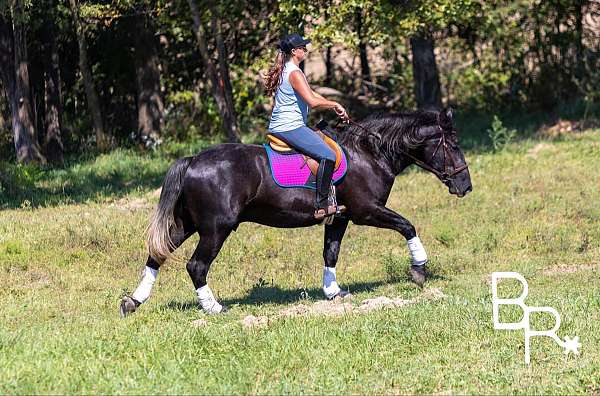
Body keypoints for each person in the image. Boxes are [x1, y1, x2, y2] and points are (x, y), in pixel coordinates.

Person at [264, 33, 350, 220]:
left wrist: (332, 104)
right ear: (294, 52)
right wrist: (334, 104)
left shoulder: (289, 69)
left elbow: (311, 93)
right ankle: (322, 205)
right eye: (303, 48)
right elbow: (311, 101)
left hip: (284, 125)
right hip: (289, 127)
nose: (306, 50)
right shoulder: (294, 73)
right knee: (328, 154)